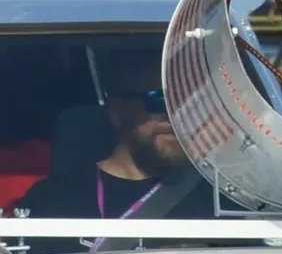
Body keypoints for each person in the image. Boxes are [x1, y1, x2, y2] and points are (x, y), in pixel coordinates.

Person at [19, 45, 213, 223]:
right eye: (159, 99)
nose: (175, 115)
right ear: (116, 111)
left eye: (188, 103)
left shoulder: (217, 196)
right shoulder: (54, 200)